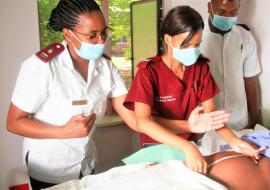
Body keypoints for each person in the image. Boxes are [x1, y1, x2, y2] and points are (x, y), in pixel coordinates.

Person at [6, 1, 230, 189]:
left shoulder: (106, 69)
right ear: (68, 34)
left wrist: (189, 128)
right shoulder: (43, 67)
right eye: (92, 36)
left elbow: (136, 121)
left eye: (104, 32)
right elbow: (14, 123)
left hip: (86, 163)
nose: (102, 41)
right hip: (47, 167)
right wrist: (63, 131)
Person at [123, 5, 263, 175]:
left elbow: (212, 115)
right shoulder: (148, 72)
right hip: (157, 149)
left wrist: (235, 141)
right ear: (168, 39)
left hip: (193, 147)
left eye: (197, 45)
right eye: (186, 45)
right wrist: (185, 146)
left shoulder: (200, 67)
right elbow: (142, 121)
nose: (193, 51)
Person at [200, 0, 261, 130]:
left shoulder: (245, 37)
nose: (227, 17)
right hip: (207, 122)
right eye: (221, 12)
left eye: (233, 12)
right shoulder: (195, 38)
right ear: (210, 7)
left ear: (239, 7)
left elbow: (250, 80)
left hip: (239, 120)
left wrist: (256, 122)